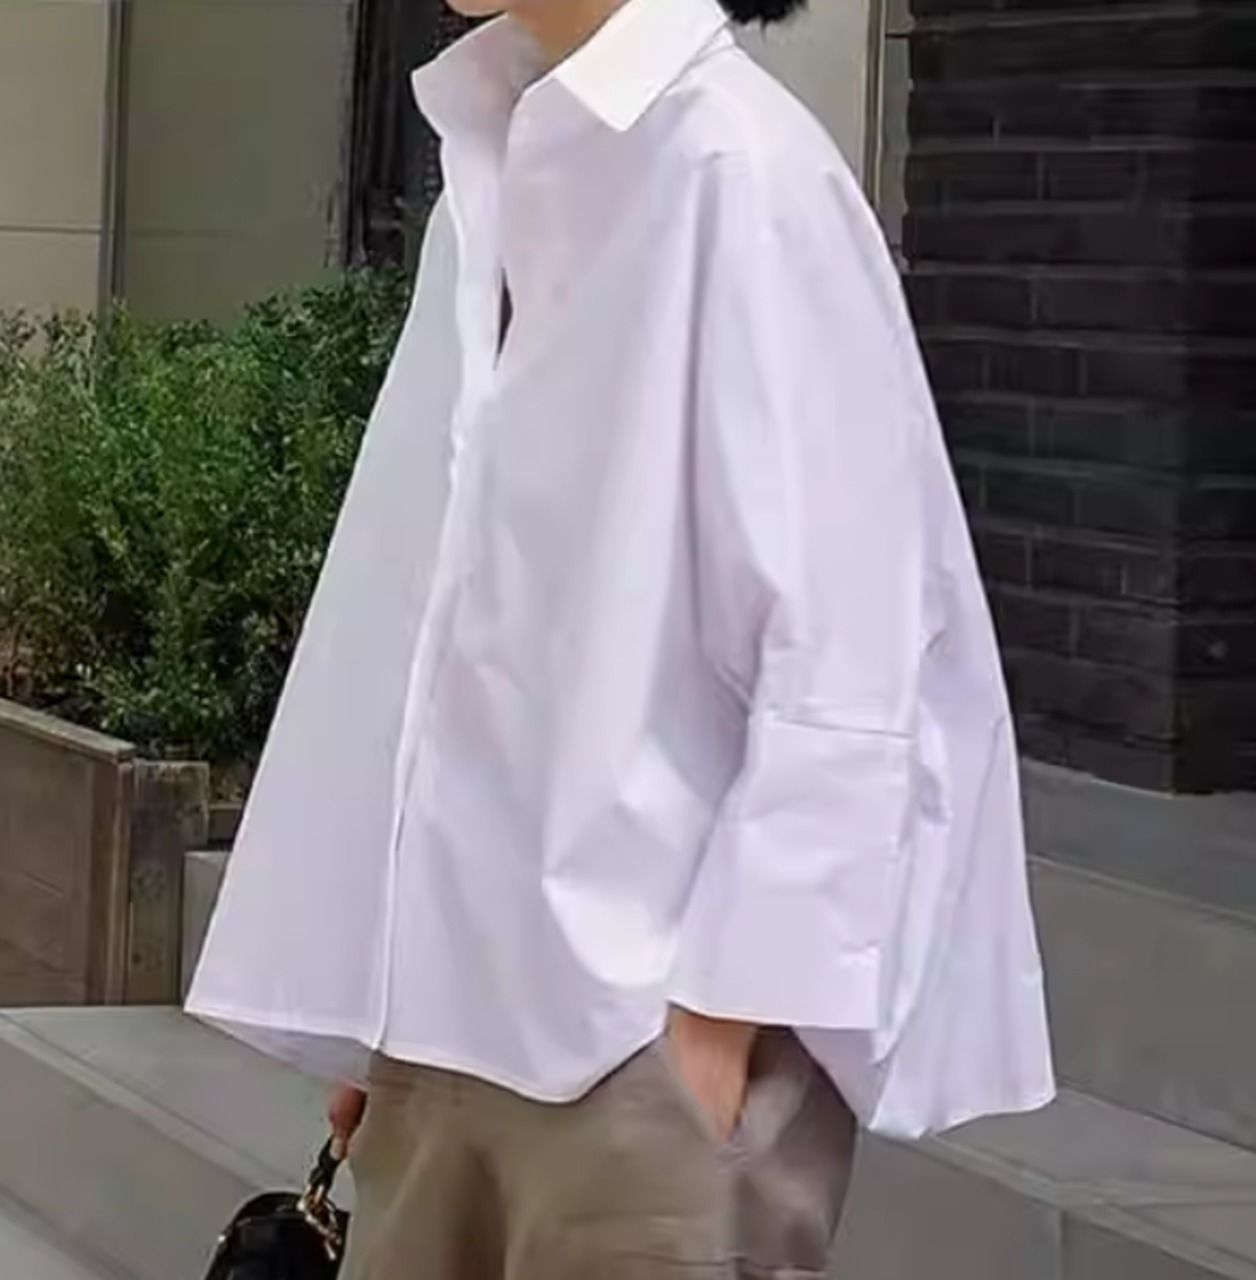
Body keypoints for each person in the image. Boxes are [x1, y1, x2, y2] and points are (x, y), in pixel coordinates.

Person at [187, 0, 1056, 1275]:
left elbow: (848, 635)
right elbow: (440, 614)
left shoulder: (739, 169)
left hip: (637, 1042)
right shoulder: (492, 159)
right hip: (444, 1025)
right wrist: (375, 991)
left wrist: (719, 1017)